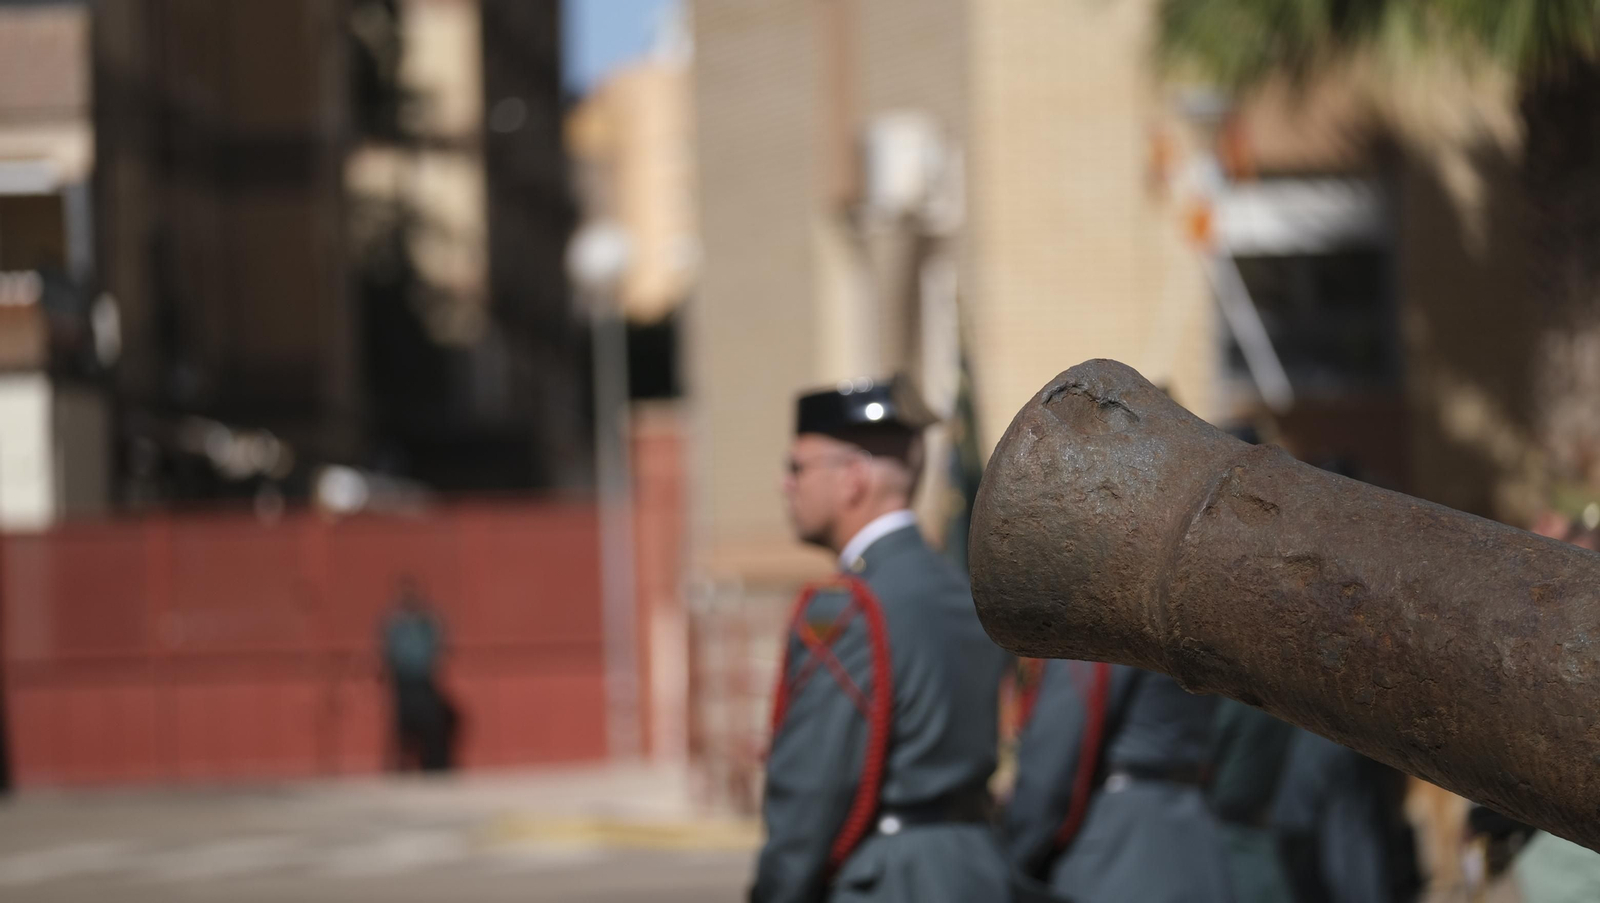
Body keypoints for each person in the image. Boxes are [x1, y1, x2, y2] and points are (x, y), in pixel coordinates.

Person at [750, 376, 1012, 903]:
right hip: (978, 870)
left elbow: (812, 794)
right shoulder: (965, 592)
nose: (785, 484)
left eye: (797, 467)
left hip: (889, 879)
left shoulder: (848, 608)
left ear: (853, 479)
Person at [1004, 660, 1234, 903]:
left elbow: (1053, 761)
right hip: (1197, 839)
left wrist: (1017, 859)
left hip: (1118, 847)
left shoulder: (1092, 637)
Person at [1209, 699, 1297, 903]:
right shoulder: (1290, 708)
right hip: (1256, 823)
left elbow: (1209, 749)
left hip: (1232, 823)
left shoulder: (1238, 702)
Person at [381, 578, 456, 772]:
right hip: (403, 683)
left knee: (430, 723)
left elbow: (440, 646)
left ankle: (434, 764)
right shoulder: (395, 623)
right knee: (403, 727)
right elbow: (387, 651)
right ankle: (402, 766)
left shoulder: (427, 622)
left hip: (424, 682)